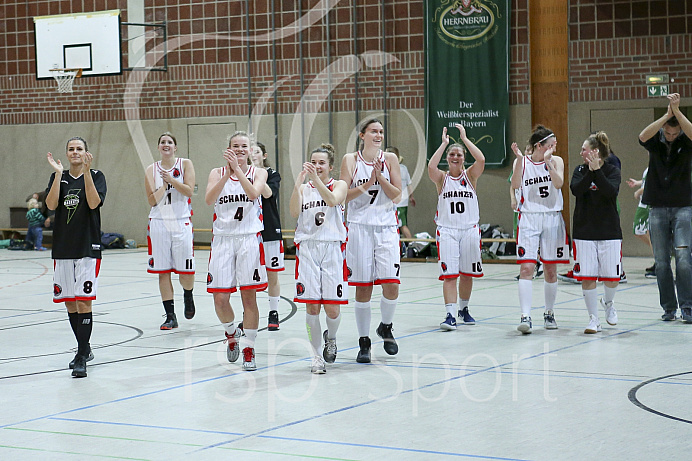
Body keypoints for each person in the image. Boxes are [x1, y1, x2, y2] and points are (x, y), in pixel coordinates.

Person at [340, 118, 402, 363]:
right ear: (362, 135)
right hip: (359, 227)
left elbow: (397, 196)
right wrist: (368, 183)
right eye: (373, 131)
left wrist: (381, 178)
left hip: (386, 226)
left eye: (381, 131)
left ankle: (385, 326)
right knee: (363, 287)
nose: (378, 135)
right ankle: (363, 342)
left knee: (392, 284)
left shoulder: (391, 160)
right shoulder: (350, 160)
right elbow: (343, 196)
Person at [205, 131, 268, 370]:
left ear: (250, 150)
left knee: (248, 297)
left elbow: (253, 193)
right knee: (220, 298)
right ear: (228, 149)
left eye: (244, 146)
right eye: (235, 146)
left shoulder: (258, 172)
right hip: (223, 239)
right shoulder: (216, 173)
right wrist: (227, 173)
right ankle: (232, 334)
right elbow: (209, 199)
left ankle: (249, 348)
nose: (240, 150)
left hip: (248, 239)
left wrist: (238, 171)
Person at [45, 136, 107, 377]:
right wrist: (59, 175)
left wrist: (88, 173)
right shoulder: (57, 178)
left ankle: (81, 355)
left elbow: (93, 203)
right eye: (70, 149)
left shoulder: (97, 175)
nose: (75, 152)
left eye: (79, 149)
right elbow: (51, 204)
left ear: (86, 152)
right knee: (70, 302)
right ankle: (85, 347)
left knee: (84, 301)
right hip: (63, 247)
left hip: (87, 247)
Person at [290, 144, 348, 373]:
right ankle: (315, 357)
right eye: (313, 162)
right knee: (312, 306)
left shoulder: (340, 184)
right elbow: (294, 211)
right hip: (308, 249)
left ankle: (331, 337)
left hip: (332, 248)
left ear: (330, 166)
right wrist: (299, 182)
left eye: (321, 162)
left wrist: (316, 180)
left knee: (332, 309)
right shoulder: (305, 188)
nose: (317, 166)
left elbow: (333, 200)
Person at [638, 92, 692, 323]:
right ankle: (668, 307)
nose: (671, 136)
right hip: (657, 208)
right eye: (667, 132)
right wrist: (666, 115)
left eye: (674, 132)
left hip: (683, 208)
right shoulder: (655, 142)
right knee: (661, 261)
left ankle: (687, 306)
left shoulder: (686, 142)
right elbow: (642, 136)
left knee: (683, 258)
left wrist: (678, 112)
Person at [510, 125, 568, 334]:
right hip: (529, 218)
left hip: (552, 217)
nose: (554, 148)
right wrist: (518, 161)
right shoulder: (522, 162)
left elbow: (559, 183)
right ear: (538, 146)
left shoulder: (557, 160)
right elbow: (516, 184)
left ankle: (549, 312)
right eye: (550, 145)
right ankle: (525, 315)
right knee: (526, 268)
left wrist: (548, 162)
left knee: (551, 270)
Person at [428, 124, 485, 330]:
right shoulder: (442, 178)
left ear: (463, 158)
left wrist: (464, 139)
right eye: (452, 154)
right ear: (447, 157)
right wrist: (444, 144)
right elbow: (431, 168)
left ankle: (464, 308)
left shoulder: (470, 176)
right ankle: (450, 314)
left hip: (469, 229)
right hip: (447, 231)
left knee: (467, 273)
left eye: (459, 154)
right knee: (450, 274)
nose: (455, 156)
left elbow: (481, 159)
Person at [570, 132, 622, 333]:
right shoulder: (579, 170)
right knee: (588, 276)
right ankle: (593, 319)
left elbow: (610, 192)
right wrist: (590, 172)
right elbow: (577, 190)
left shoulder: (612, 170)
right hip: (584, 230)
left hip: (609, 230)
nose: (580, 152)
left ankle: (608, 303)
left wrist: (597, 171)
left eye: (584, 149)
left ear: (594, 151)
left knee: (612, 277)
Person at [144, 132, 196, 330]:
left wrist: (172, 181)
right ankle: (170, 315)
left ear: (175, 147)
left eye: (170, 142)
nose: (166, 144)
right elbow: (151, 200)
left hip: (181, 221)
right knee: (162, 272)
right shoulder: (151, 169)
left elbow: (189, 191)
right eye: (162, 142)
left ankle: (188, 294)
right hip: (158, 222)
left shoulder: (185, 164)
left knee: (186, 272)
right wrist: (164, 185)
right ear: (158, 147)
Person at [249, 142, 283, 331]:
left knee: (272, 274)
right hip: (249, 231)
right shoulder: (241, 175)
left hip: (269, 228)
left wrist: (257, 175)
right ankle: (249, 312)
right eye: (250, 151)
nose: (253, 154)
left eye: (257, 152)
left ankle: (274, 312)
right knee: (249, 275)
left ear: (264, 155)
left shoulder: (272, 174)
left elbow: (269, 193)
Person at [626, 169, 656, 278]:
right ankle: (661, 254)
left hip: (647, 203)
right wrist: (638, 183)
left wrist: (639, 191)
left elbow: (654, 184)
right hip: (643, 202)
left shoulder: (658, 162)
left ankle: (660, 260)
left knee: (647, 233)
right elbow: (648, 181)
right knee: (639, 232)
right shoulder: (650, 165)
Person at [385, 146, 416, 248]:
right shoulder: (403, 168)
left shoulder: (396, 169)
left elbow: (408, 183)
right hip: (400, 201)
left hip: (398, 202)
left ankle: (412, 246)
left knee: (402, 225)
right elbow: (409, 184)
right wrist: (411, 197)